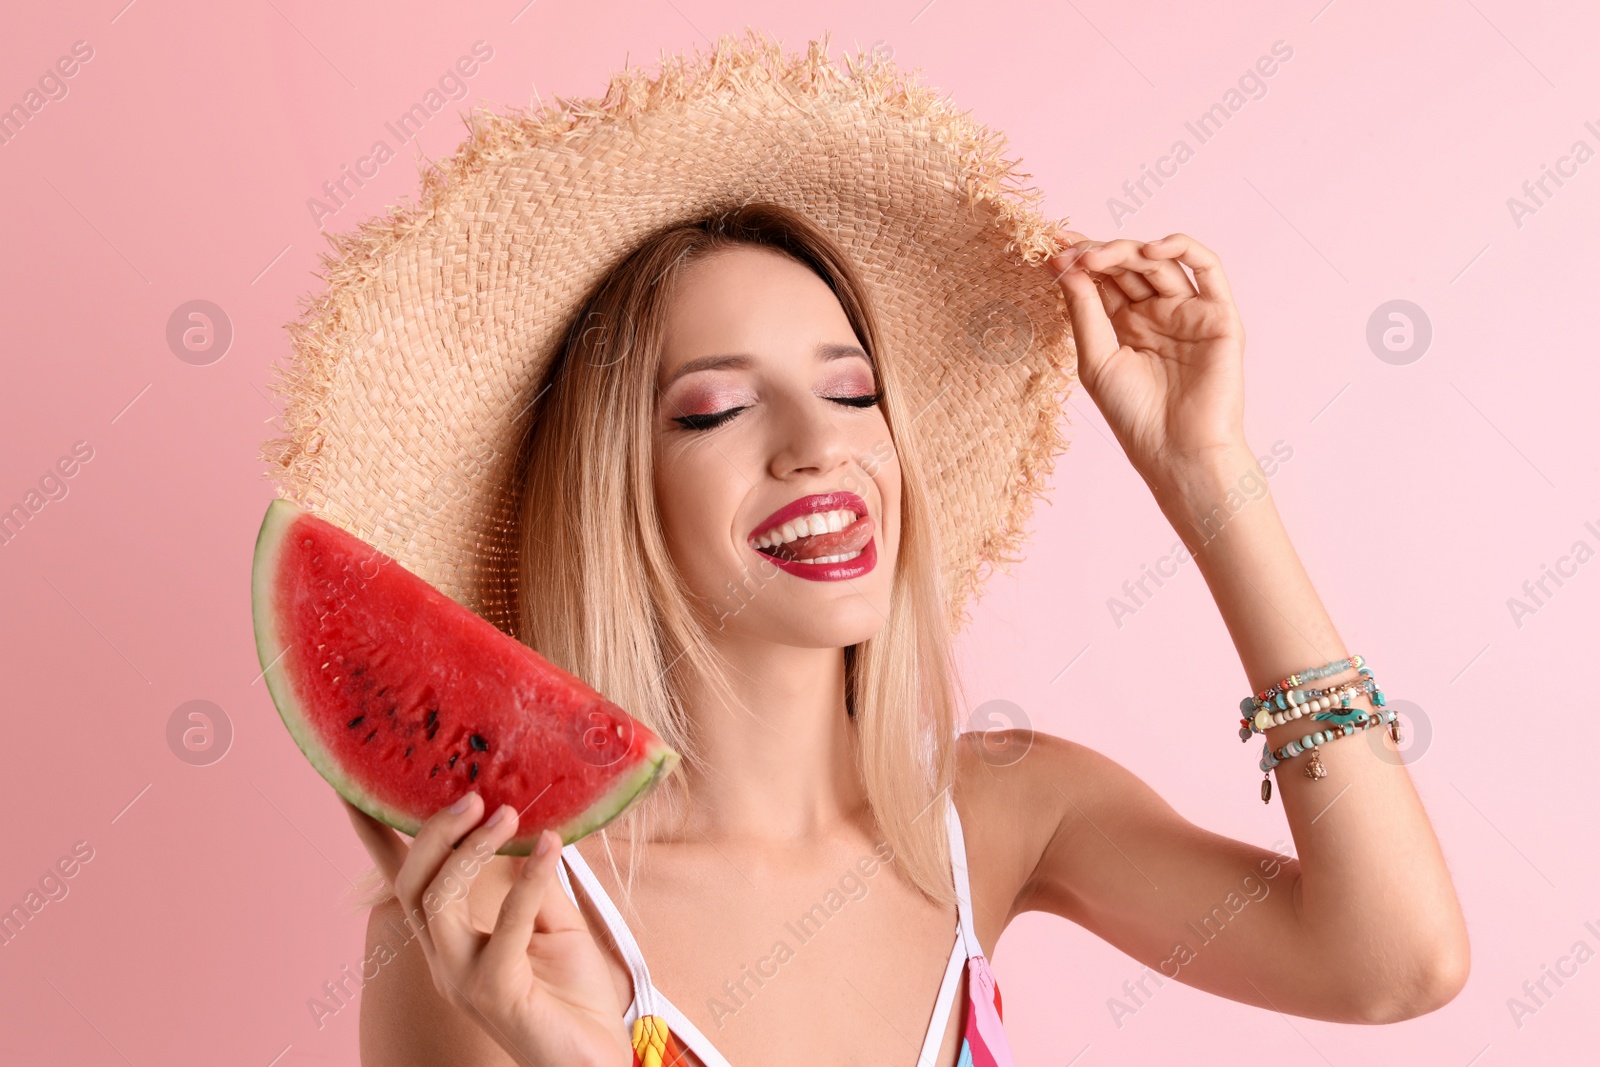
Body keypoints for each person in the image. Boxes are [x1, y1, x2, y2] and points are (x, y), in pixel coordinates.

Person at [261, 34, 1468, 1067]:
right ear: (608, 494)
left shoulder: (1006, 810)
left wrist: (1210, 475)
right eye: (715, 410)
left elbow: (1394, 960)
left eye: (852, 392)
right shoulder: (496, 923)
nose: (817, 447)